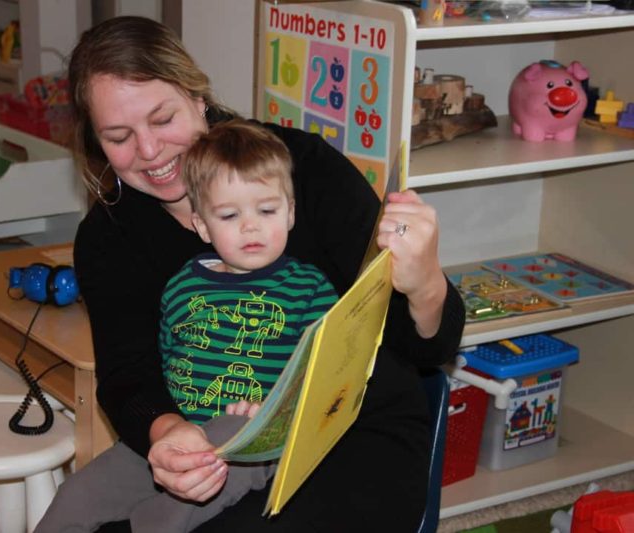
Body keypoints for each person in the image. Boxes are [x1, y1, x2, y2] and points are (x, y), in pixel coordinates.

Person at [38, 15, 465, 532]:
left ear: (198, 98)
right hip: (209, 435)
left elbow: (422, 350)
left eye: (162, 117)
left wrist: (423, 282)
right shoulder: (109, 236)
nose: (149, 151)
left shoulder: (299, 168)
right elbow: (127, 376)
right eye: (119, 136)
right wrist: (165, 431)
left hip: (352, 431)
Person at [37, 119, 339, 532]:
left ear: (290, 213)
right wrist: (166, 432)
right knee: (75, 495)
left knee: (170, 512)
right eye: (229, 215)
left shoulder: (311, 289)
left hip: (250, 443)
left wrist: (275, 411)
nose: (251, 226)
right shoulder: (181, 285)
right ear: (201, 225)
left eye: (267, 210)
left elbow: (332, 369)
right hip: (175, 439)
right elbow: (159, 364)